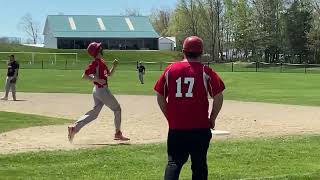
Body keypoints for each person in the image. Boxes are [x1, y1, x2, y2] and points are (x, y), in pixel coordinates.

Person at [154, 36, 225, 180]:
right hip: (200, 128)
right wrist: (212, 118)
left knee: (173, 163)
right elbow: (218, 96)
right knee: (199, 166)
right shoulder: (206, 71)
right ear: (201, 52)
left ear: (183, 51)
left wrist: (170, 117)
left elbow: (160, 95)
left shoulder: (170, 69)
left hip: (177, 129)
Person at [68, 42, 130, 143]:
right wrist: (96, 79)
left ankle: (74, 128)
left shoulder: (102, 61)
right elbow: (84, 76)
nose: (102, 48)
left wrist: (114, 66)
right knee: (117, 109)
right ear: (96, 51)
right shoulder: (95, 63)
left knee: (94, 113)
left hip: (98, 90)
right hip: (102, 90)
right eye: (99, 48)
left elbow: (109, 74)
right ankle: (118, 133)